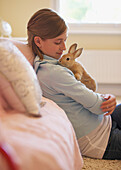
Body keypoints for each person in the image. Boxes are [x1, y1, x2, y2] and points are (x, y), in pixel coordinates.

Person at [27, 8, 121, 160]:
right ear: (38, 41)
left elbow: (83, 94)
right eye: (58, 42)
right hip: (99, 139)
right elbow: (98, 106)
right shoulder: (53, 73)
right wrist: (106, 99)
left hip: (105, 121)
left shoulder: (46, 65)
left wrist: (104, 97)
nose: (64, 47)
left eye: (64, 40)